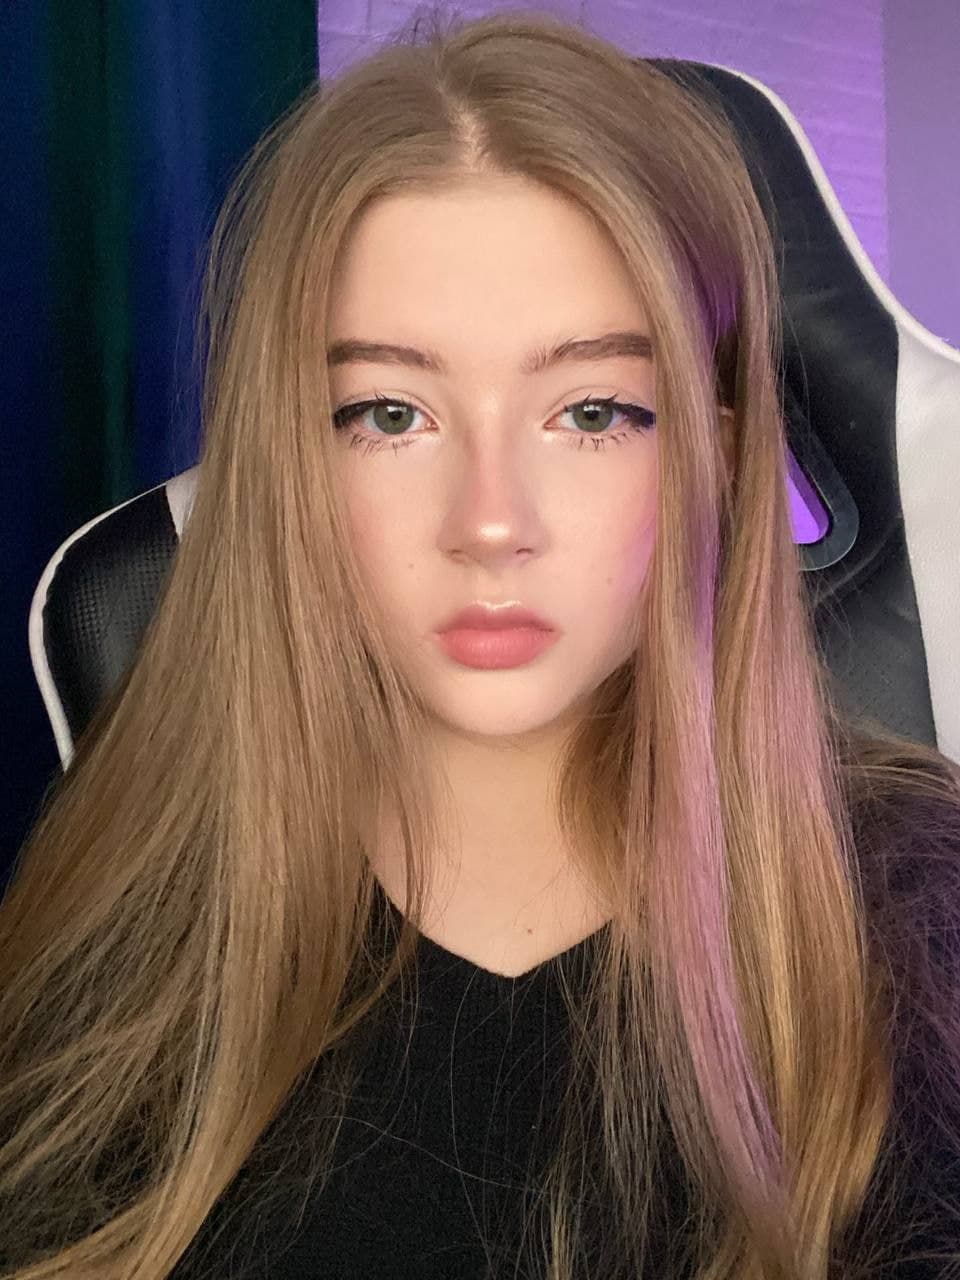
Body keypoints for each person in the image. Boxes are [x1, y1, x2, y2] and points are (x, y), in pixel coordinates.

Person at [3, 5, 960, 1277]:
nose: (492, 522)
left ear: (715, 458)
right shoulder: (116, 932)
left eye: (594, 411)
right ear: (290, 464)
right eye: (390, 413)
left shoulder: (927, 915)